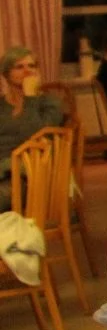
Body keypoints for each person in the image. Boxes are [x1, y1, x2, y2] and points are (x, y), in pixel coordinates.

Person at [0, 47, 64, 209]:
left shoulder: (49, 103)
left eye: (32, 66)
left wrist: (30, 99)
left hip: (30, 174)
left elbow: (36, 135)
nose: (28, 71)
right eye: (19, 67)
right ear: (6, 74)